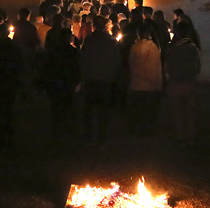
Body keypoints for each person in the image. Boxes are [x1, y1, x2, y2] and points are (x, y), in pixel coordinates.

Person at [79, 14, 123, 146]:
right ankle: (102, 137)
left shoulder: (89, 40)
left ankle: (88, 136)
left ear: (93, 26)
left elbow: (83, 59)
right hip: (105, 79)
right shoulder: (110, 41)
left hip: (91, 78)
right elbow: (116, 60)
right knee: (103, 110)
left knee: (89, 109)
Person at [0, 23, 25, 148]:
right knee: (10, 108)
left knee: (0, 108)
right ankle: (10, 136)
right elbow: (21, 65)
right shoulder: (15, 47)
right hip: (11, 81)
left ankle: (2, 135)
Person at [40, 23, 81, 141]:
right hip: (68, 83)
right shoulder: (72, 52)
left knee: (56, 108)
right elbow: (77, 68)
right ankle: (67, 130)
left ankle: (57, 131)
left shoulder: (54, 52)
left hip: (56, 82)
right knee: (68, 107)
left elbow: (47, 67)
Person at [164, 21, 201, 145]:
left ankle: (180, 135)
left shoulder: (174, 48)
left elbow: (168, 66)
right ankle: (190, 134)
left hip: (176, 82)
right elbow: (197, 67)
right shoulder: (194, 48)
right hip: (190, 82)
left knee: (178, 110)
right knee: (189, 110)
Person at [126, 23, 163, 135]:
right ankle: (147, 131)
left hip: (136, 84)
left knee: (137, 111)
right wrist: (158, 84)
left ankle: (137, 130)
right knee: (148, 111)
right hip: (149, 85)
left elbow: (131, 63)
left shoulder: (135, 47)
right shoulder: (153, 47)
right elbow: (156, 67)